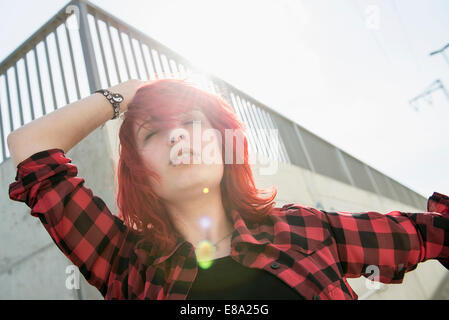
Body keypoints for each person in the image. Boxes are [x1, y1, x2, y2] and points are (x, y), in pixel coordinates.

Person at [8, 78, 449, 300]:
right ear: (139, 171)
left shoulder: (304, 230)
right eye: (152, 133)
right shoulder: (126, 265)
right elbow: (31, 147)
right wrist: (124, 96)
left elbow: (435, 232)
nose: (178, 139)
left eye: (191, 123)